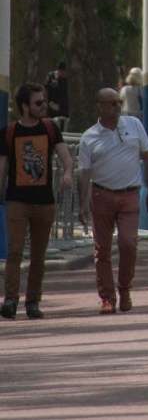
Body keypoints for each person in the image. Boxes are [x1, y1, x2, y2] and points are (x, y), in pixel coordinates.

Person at [76, 87, 148, 314]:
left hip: (130, 194)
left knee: (128, 243)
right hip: (101, 195)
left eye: (119, 102)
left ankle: (125, 288)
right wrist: (82, 203)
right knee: (102, 250)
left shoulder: (134, 125)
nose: (117, 107)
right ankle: (107, 297)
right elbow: (84, 172)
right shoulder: (89, 137)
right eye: (111, 103)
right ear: (100, 106)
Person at [2, 82, 71, 319]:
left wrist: (68, 172)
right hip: (17, 201)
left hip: (44, 202)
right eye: (38, 103)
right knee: (14, 251)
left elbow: (64, 155)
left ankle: (32, 301)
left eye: (44, 101)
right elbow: (2, 168)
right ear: (24, 106)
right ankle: (10, 300)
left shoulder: (51, 128)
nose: (43, 106)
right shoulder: (9, 132)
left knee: (38, 256)